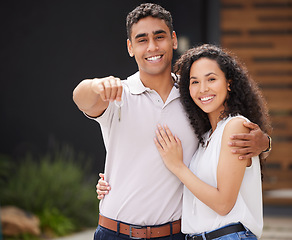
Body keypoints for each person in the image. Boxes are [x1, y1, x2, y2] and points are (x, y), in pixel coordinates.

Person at [73, 3, 270, 240]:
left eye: (160, 37)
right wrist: (97, 84)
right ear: (130, 47)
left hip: (175, 234)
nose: (152, 47)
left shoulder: (195, 99)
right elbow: (80, 98)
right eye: (142, 39)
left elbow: (224, 146)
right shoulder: (117, 94)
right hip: (115, 233)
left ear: (173, 40)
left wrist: (264, 143)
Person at [153, 44, 272, 239]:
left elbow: (223, 204)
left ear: (229, 83)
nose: (203, 89)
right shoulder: (207, 138)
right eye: (195, 82)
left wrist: (178, 166)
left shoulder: (235, 126)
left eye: (211, 79)